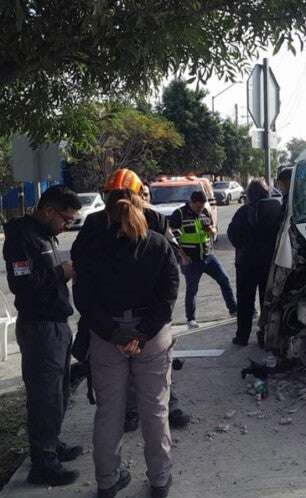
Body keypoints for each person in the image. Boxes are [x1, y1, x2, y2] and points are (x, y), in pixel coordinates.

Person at [74, 189, 179, 497]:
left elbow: (84, 297)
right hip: (151, 336)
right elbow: (169, 294)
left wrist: (113, 333)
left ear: (107, 213)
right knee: (155, 410)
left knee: (109, 412)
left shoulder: (93, 249)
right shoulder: (158, 245)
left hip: (108, 337)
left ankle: (107, 482)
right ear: (140, 208)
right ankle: (160, 480)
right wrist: (143, 333)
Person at [71, 168, 191, 431]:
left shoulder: (155, 220)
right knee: (129, 372)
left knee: (155, 370)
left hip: (142, 313)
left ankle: (165, 407)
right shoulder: (94, 224)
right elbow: (80, 265)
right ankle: (131, 412)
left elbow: (169, 265)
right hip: (110, 314)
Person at [2, 185, 83, 486]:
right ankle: (43, 462)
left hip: (57, 325)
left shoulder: (45, 234)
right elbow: (23, 285)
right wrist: (63, 272)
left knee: (59, 393)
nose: (67, 226)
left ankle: (53, 443)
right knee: (44, 398)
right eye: (66, 219)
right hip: (39, 328)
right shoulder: (21, 238)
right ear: (49, 211)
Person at [170, 190, 237, 328]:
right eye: (198, 206)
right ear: (192, 203)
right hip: (190, 259)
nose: (200, 209)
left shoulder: (205, 213)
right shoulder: (180, 214)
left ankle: (233, 309)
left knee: (224, 279)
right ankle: (191, 318)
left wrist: (212, 231)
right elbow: (173, 239)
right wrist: (182, 256)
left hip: (207, 255)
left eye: (202, 207)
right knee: (192, 289)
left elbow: (212, 230)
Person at [227, 179, 282, 346]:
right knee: (267, 300)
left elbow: (233, 235)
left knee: (245, 302)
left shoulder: (243, 212)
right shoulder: (276, 210)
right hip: (269, 263)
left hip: (246, 264)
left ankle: (242, 336)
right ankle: (265, 335)